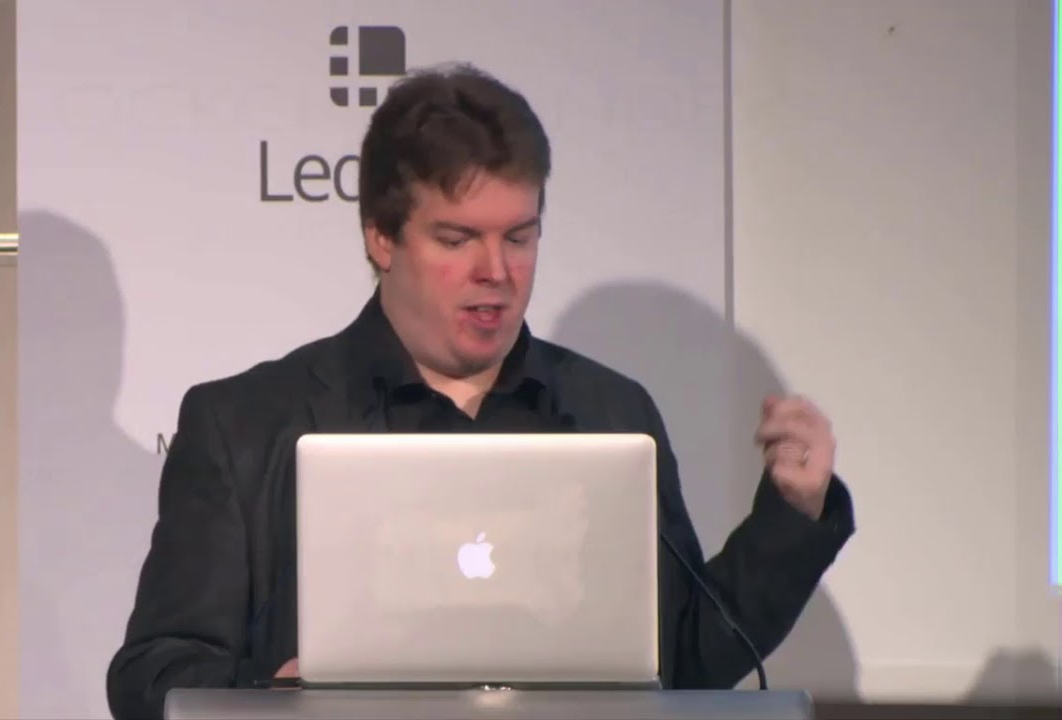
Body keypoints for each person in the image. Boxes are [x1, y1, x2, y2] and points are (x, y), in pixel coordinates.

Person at [105, 62, 855, 720]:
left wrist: (791, 516)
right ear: (381, 237)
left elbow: (683, 666)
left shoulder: (608, 413)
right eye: (458, 239)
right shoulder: (244, 424)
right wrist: (274, 702)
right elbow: (154, 676)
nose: (496, 272)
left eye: (519, 237)